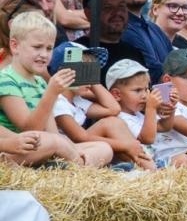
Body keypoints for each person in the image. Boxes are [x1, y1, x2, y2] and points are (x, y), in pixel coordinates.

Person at [0, 11, 114, 167]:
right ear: (15, 45)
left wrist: (65, 147)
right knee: (55, 142)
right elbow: (30, 128)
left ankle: (71, 166)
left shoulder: (40, 82)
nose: (44, 54)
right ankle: (80, 168)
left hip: (41, 148)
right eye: (37, 47)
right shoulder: (6, 80)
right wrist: (51, 93)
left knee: (104, 148)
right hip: (13, 153)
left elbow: (51, 131)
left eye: (49, 48)